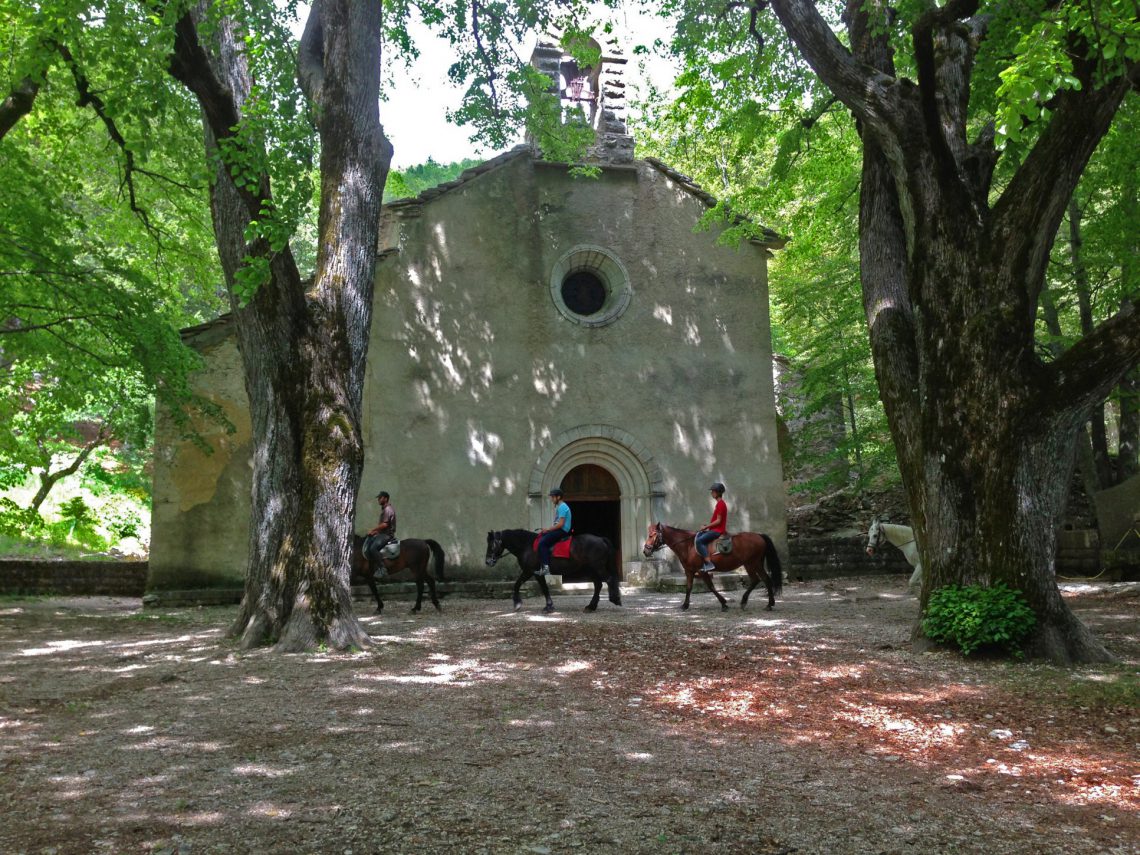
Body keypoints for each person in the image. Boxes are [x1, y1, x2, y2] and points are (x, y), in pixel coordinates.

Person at [536, 487, 571, 576]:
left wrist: (548, 529)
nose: (551, 499)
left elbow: (560, 524)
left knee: (542, 543)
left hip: (562, 530)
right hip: (559, 530)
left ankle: (546, 568)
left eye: (552, 497)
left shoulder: (562, 507)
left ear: (558, 497)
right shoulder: (561, 506)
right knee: (542, 536)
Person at [695, 482, 728, 572]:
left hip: (717, 531)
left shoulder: (721, 504)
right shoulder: (719, 504)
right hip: (715, 529)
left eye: (713, 491)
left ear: (717, 492)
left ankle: (709, 564)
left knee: (699, 541)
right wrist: (707, 526)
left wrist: (706, 527)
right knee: (699, 535)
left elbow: (719, 521)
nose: (711, 493)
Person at [364, 491, 397, 578]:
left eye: (380, 497)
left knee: (373, 548)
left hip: (387, 536)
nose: (378, 499)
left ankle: (382, 569)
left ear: (385, 498)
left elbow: (385, 524)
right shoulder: (385, 509)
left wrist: (373, 529)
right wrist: (375, 532)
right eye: (378, 498)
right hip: (383, 534)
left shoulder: (388, 509)